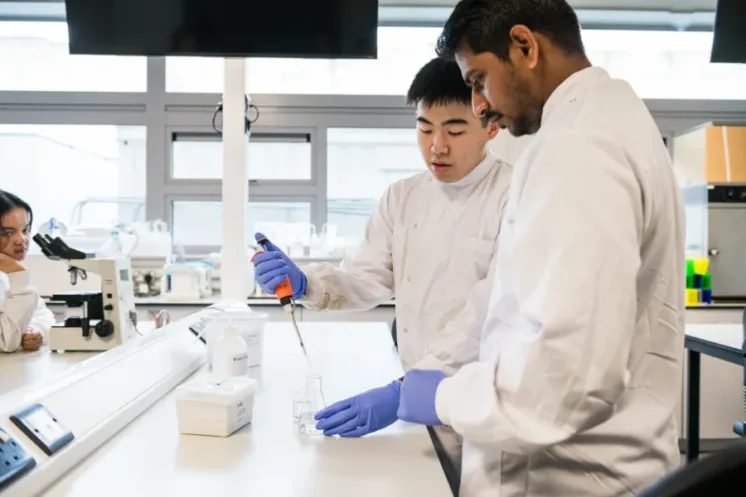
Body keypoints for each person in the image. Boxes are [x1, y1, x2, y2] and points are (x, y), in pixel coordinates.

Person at [395, 1, 686, 496]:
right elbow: (516, 300)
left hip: (566, 478)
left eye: (479, 80)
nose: (481, 104)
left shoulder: (578, 147)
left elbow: (565, 379)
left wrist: (445, 397)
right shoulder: (611, 119)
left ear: (525, 47)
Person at [252, 57, 513, 478]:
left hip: (482, 411)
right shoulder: (403, 197)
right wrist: (306, 283)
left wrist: (404, 392)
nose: (437, 146)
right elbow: (365, 278)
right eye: (425, 128)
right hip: (416, 408)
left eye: (455, 130)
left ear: (492, 125)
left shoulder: (513, 197)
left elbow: (485, 318)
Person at [0, 190, 55, 353]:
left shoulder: (8, 276)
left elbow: (47, 319)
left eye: (25, 230)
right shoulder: (16, 274)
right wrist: (19, 274)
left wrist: (35, 333)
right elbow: (5, 340)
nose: (21, 240)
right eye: (8, 233)